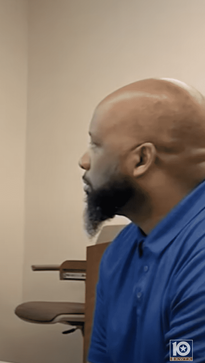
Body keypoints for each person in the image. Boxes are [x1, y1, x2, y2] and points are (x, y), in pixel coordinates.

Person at [80, 77, 205, 363]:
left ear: (141, 159)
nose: (84, 160)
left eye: (96, 145)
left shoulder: (199, 256)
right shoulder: (121, 249)